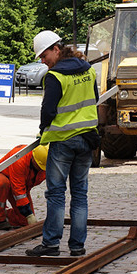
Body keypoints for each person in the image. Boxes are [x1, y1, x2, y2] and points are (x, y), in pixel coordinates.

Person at [25, 30, 99, 257]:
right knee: (79, 194)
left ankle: (51, 244)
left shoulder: (55, 76)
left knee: (56, 194)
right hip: (87, 139)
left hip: (63, 141)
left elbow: (48, 110)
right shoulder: (89, 70)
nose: (42, 60)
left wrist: (42, 130)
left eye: (44, 55)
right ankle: (77, 246)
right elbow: (94, 99)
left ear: (56, 49)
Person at [0, 144, 48, 230]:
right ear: (33, 159)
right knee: (2, 183)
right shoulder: (20, 160)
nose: (40, 169)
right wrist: (28, 214)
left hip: (21, 186)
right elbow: (18, 191)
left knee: (24, 222)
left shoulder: (45, 163)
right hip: (3, 175)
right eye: (38, 167)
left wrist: (27, 216)